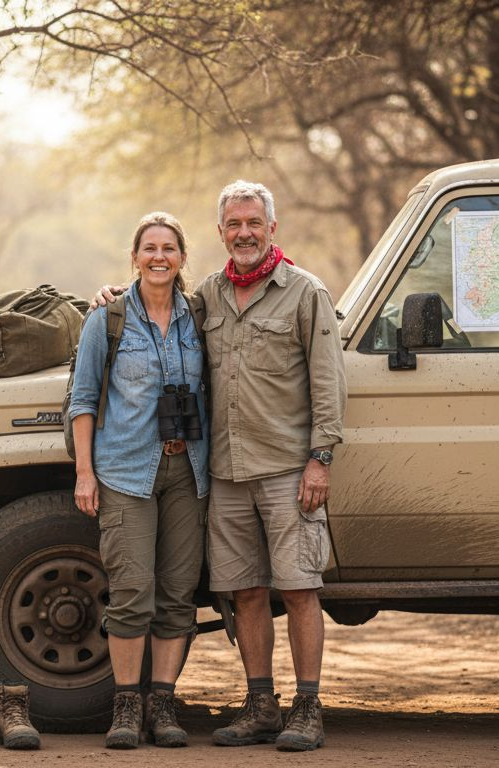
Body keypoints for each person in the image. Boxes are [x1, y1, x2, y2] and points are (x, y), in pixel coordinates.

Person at [92, 181, 345, 751]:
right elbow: (156, 305)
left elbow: (329, 383)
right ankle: (261, 706)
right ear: (221, 233)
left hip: (286, 469)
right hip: (225, 473)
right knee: (246, 592)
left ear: (271, 228)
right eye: (234, 224)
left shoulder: (305, 293)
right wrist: (114, 294)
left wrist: (320, 459)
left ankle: (308, 708)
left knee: (299, 588)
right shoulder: (209, 295)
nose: (244, 233)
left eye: (254, 223)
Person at [67, 211, 210, 749]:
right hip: (126, 471)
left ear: (182, 257)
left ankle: (163, 706)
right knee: (131, 592)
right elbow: (83, 400)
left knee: (177, 594)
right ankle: (126, 707)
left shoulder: (200, 316)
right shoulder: (107, 320)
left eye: (168, 248)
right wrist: (85, 473)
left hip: (188, 472)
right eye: (149, 248)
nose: (159, 257)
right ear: (134, 257)